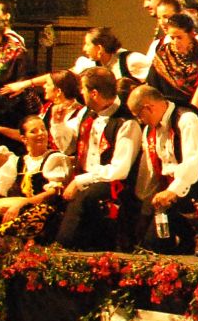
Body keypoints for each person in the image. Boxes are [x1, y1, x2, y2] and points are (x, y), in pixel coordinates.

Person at [56, 67, 142, 249]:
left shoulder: (126, 122)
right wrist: (58, 125)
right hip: (84, 178)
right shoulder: (86, 113)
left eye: (83, 89)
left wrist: (80, 181)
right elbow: (69, 146)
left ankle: (64, 248)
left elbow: (119, 170)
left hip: (113, 184)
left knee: (84, 198)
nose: (80, 93)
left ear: (94, 93)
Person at [0, 114, 71, 245]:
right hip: (18, 209)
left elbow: (53, 193)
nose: (41, 134)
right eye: (34, 131)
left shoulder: (54, 158)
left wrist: (23, 203)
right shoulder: (16, 161)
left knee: (32, 216)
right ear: (24, 138)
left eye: (43, 129)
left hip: (45, 210)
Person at [128, 83, 198, 254]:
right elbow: (150, 172)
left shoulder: (187, 120)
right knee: (142, 240)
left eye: (139, 116)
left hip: (192, 191)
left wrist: (173, 190)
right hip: (167, 197)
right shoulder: (149, 131)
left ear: (149, 108)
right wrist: (144, 207)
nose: (140, 121)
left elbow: (195, 161)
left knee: (153, 245)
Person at [145, 12, 198, 114]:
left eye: (179, 37)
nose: (175, 42)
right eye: (172, 38)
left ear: (191, 34)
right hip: (169, 113)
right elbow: (153, 88)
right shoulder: (163, 55)